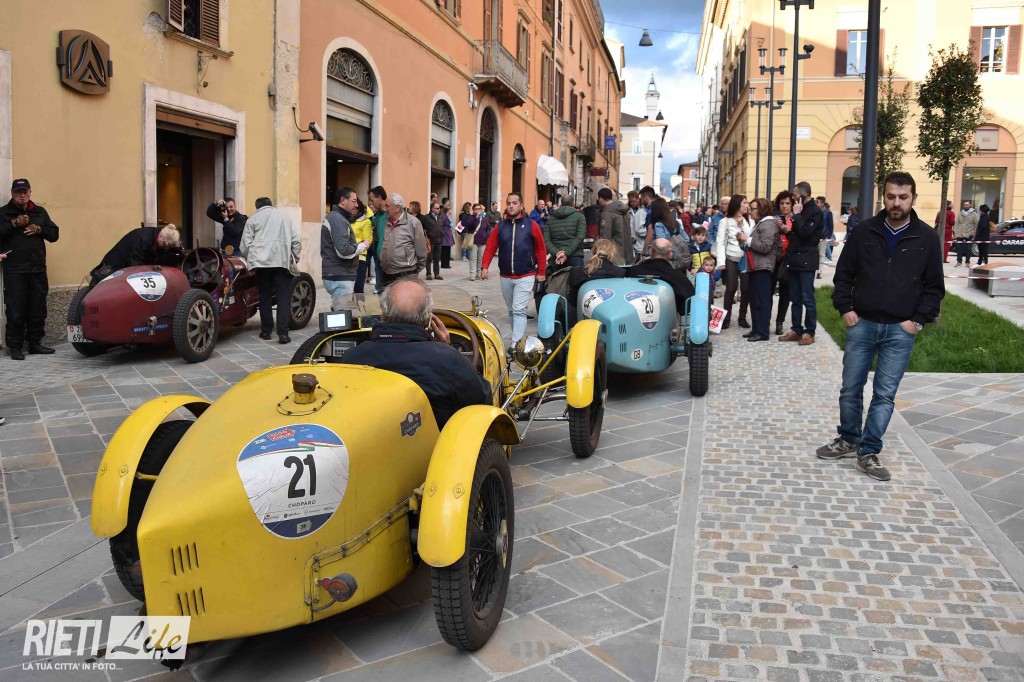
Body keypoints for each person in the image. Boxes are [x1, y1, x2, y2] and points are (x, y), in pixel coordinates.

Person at [817, 171, 944, 482]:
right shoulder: (863, 231)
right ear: (883, 197)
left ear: (913, 198)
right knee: (850, 388)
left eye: (903, 197)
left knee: (884, 395)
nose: (896, 203)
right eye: (891, 196)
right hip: (862, 324)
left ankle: (868, 451)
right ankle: (849, 439)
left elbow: (934, 287)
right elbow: (844, 274)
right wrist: (845, 308)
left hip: (900, 330)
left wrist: (917, 321)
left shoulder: (926, 238)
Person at [338, 278, 491, 429]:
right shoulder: (448, 360)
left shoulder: (352, 357)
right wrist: (447, 348)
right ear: (428, 318)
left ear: (383, 313)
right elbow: (482, 400)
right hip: (437, 441)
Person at [1, 178, 60, 359]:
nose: (22, 195)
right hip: (15, 270)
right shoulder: (4, 213)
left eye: (25, 192)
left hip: (37, 268)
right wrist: (13, 223)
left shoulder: (39, 212)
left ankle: (35, 343)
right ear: (12, 193)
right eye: (18, 192)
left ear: (30, 193)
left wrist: (40, 229)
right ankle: (15, 347)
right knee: (16, 309)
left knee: (38, 309)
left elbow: (54, 234)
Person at [480, 192, 547, 346]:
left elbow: (540, 249)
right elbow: (490, 247)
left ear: (521, 206)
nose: (511, 206)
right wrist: (484, 266)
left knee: (519, 309)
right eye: (509, 203)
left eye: (514, 203)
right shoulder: (500, 226)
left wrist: (541, 271)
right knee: (511, 310)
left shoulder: (531, 225)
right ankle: (518, 340)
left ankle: (516, 344)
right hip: (505, 275)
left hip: (526, 274)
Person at [241, 197, 301, 344]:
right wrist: (294, 257)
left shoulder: (253, 219)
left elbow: (245, 245)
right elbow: (296, 240)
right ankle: (283, 334)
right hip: (282, 262)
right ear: (271, 205)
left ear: (257, 207)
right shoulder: (285, 217)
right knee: (283, 298)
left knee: (264, 297)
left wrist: (252, 260)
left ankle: (266, 331)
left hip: (261, 265)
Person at [778, 182, 823, 345]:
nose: (793, 198)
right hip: (794, 259)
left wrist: (797, 215)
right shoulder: (800, 209)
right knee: (795, 297)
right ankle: (796, 329)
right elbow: (797, 236)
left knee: (807, 298)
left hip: (807, 260)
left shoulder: (815, 211)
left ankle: (809, 331)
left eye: (795, 195)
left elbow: (805, 233)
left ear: (804, 195)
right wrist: (787, 231)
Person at [90, 224, 183, 286]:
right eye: (165, 244)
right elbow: (136, 266)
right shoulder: (142, 239)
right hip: (113, 268)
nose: (166, 247)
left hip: (123, 268)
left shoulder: (157, 239)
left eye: (168, 246)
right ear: (161, 237)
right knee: (100, 290)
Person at [321, 187, 370, 307]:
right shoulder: (337, 219)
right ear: (343, 200)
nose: (356, 204)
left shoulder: (338, 218)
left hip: (339, 274)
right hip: (340, 275)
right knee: (342, 313)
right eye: (354, 201)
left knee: (342, 311)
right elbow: (344, 251)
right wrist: (363, 246)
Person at [743, 198, 780, 343]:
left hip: (763, 267)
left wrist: (747, 239)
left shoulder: (769, 224)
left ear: (762, 210)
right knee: (754, 299)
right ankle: (756, 329)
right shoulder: (760, 223)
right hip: (755, 266)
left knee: (761, 300)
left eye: (753, 209)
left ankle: (762, 332)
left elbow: (765, 247)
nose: (750, 211)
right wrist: (744, 242)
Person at [714, 194, 752, 330]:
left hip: (745, 257)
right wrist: (721, 262)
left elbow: (749, 238)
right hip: (731, 257)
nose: (747, 205)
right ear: (737, 204)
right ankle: (726, 317)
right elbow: (720, 242)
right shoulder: (725, 221)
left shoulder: (749, 221)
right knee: (731, 288)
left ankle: (742, 317)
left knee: (746, 288)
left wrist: (742, 225)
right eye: (744, 203)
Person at [629, 238, 695, 312]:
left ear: (651, 252)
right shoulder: (679, 278)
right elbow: (688, 305)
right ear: (670, 255)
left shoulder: (633, 272)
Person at [380, 193, 428, 286]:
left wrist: (415, 270)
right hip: (387, 272)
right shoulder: (385, 222)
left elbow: (421, 250)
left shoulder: (413, 222)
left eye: (387, 206)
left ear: (397, 208)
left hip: (406, 273)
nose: (385, 209)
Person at [568, 238, 624, 310]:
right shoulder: (619, 272)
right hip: (612, 309)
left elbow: (572, 301)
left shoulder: (577, 272)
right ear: (611, 253)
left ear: (593, 251)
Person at [543, 194, 587, 272]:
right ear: (573, 204)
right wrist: (566, 253)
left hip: (557, 258)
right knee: (577, 279)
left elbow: (546, 240)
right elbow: (580, 237)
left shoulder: (551, 219)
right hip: (575, 256)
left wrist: (557, 253)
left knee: (557, 279)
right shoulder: (580, 217)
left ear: (561, 204)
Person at [772, 190, 795, 336]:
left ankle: (780, 322)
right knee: (768, 291)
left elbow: (798, 239)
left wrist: (787, 230)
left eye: (787, 203)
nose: (785, 206)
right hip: (773, 259)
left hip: (788, 260)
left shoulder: (796, 220)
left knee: (785, 293)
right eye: (782, 203)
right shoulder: (773, 219)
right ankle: (765, 320)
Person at [596, 188, 632, 265]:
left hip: (614, 256)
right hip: (627, 254)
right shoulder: (625, 211)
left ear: (601, 199)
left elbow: (605, 237)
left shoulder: (606, 214)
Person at [367, 186, 388, 293]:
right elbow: (375, 223)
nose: (370, 203)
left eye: (372, 200)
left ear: (379, 198)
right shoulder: (379, 214)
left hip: (386, 258)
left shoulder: (389, 214)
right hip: (378, 257)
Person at [351, 198, 374, 294]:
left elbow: (368, 241)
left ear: (359, 209)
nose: (352, 210)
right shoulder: (346, 220)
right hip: (347, 257)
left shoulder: (366, 221)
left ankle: (359, 303)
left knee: (358, 288)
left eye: (354, 209)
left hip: (360, 258)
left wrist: (354, 244)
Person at [421, 200, 444, 280]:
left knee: (437, 258)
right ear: (432, 209)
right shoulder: (426, 218)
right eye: (437, 208)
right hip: (430, 241)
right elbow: (421, 227)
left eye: (439, 208)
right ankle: (428, 274)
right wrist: (425, 236)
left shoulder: (440, 217)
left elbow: (442, 227)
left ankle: (437, 274)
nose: (439, 210)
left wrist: (443, 234)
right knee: (429, 258)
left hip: (439, 240)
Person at [953, 199, 978, 267]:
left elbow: (976, 223)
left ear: (969, 205)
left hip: (969, 233)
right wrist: (956, 233)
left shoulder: (974, 214)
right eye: (965, 205)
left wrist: (974, 232)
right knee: (959, 248)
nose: (966, 206)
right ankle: (959, 261)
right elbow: (956, 223)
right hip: (960, 233)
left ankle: (967, 262)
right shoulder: (960, 213)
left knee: (968, 248)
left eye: (967, 205)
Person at [470, 203, 491, 281]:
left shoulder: (484, 219)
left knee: (480, 259)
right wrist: (475, 218)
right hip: (473, 241)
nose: (477, 210)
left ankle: (478, 273)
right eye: (476, 209)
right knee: (473, 258)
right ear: (473, 210)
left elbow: (488, 228)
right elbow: (469, 226)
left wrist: (487, 234)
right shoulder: (471, 218)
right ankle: (472, 274)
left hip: (483, 241)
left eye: (479, 209)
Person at [627, 190, 647, 259]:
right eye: (630, 201)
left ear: (638, 199)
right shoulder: (627, 212)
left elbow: (642, 229)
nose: (631, 203)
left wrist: (650, 232)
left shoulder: (644, 211)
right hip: (631, 246)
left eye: (633, 201)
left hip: (641, 245)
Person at [816, 195, 835, 268]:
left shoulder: (828, 213)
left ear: (822, 204)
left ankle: (819, 270)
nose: (816, 204)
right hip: (815, 236)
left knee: (821, 254)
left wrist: (828, 237)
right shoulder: (815, 212)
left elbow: (831, 226)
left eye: (817, 202)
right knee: (815, 254)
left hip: (823, 237)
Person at [440, 200, 455, 269]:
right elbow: (441, 224)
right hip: (445, 234)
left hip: (448, 233)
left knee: (447, 249)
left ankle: (446, 263)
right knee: (445, 249)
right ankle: (444, 264)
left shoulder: (449, 216)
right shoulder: (444, 216)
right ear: (447, 210)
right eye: (450, 209)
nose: (451, 211)